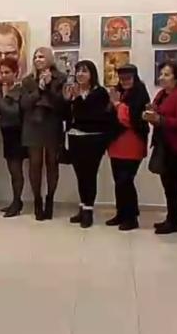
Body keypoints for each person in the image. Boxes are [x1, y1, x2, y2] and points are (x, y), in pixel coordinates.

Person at [63, 60, 114, 228]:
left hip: (93, 139)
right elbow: (67, 116)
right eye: (78, 71)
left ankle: (88, 211)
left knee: (89, 175)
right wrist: (67, 100)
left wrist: (77, 99)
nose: (80, 74)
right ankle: (82, 207)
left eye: (84, 71)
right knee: (80, 175)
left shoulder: (100, 93)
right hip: (75, 138)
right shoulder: (73, 91)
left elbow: (89, 116)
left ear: (92, 74)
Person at [143, 60, 177, 234]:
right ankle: (171, 218)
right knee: (167, 183)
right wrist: (151, 114)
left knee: (173, 184)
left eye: (167, 74)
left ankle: (175, 220)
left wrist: (159, 119)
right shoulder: (162, 94)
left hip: (176, 145)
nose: (162, 78)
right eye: (161, 74)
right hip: (162, 142)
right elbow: (158, 114)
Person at [20, 47, 67, 220]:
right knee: (35, 163)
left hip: (52, 125)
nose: (38, 60)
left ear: (49, 59)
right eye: (35, 57)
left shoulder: (60, 78)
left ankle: (50, 199)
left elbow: (62, 105)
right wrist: (39, 89)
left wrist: (49, 87)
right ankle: (37, 201)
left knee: (52, 163)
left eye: (41, 56)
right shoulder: (27, 80)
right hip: (33, 125)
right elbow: (24, 104)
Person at [106, 64, 150, 231]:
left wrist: (117, 104)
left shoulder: (140, 94)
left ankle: (131, 218)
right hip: (116, 143)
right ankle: (121, 213)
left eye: (128, 78)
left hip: (133, 143)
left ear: (134, 77)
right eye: (122, 78)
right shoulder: (118, 92)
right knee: (118, 182)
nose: (124, 81)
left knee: (126, 181)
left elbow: (129, 119)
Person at [0, 58, 28, 218]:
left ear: (16, 73)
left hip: (18, 133)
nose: (4, 76)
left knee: (16, 171)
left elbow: (14, 112)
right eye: (1, 72)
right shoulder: (1, 88)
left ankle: (17, 202)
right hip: (7, 133)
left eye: (7, 72)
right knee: (12, 171)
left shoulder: (20, 90)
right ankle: (15, 201)